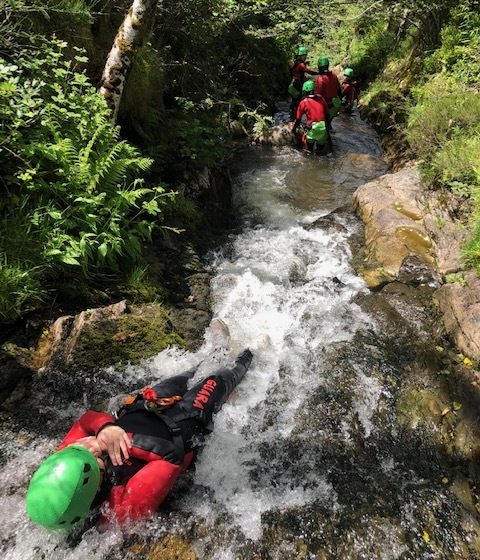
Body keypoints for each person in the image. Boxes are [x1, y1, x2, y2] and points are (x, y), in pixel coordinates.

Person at [25, 348, 254, 530]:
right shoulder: (124, 510)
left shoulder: (65, 460)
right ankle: (253, 352)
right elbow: (169, 458)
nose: (90, 449)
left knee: (192, 372)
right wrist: (114, 440)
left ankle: (218, 347)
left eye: (83, 449)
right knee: (222, 377)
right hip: (185, 422)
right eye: (93, 457)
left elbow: (85, 420)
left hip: (148, 406)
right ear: (91, 485)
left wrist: (104, 427)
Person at [292, 80, 329, 153]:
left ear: (305, 90)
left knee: (309, 151)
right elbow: (327, 113)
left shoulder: (304, 102)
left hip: (312, 129)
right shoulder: (321, 98)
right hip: (323, 128)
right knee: (320, 151)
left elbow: (298, 119)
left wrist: (294, 129)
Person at [289, 46, 318, 120]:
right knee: (298, 101)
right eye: (304, 55)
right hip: (297, 84)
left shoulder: (296, 63)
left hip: (293, 84)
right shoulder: (301, 65)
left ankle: (292, 117)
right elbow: (308, 71)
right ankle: (294, 118)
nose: (305, 57)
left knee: (294, 101)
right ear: (301, 56)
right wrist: (318, 73)